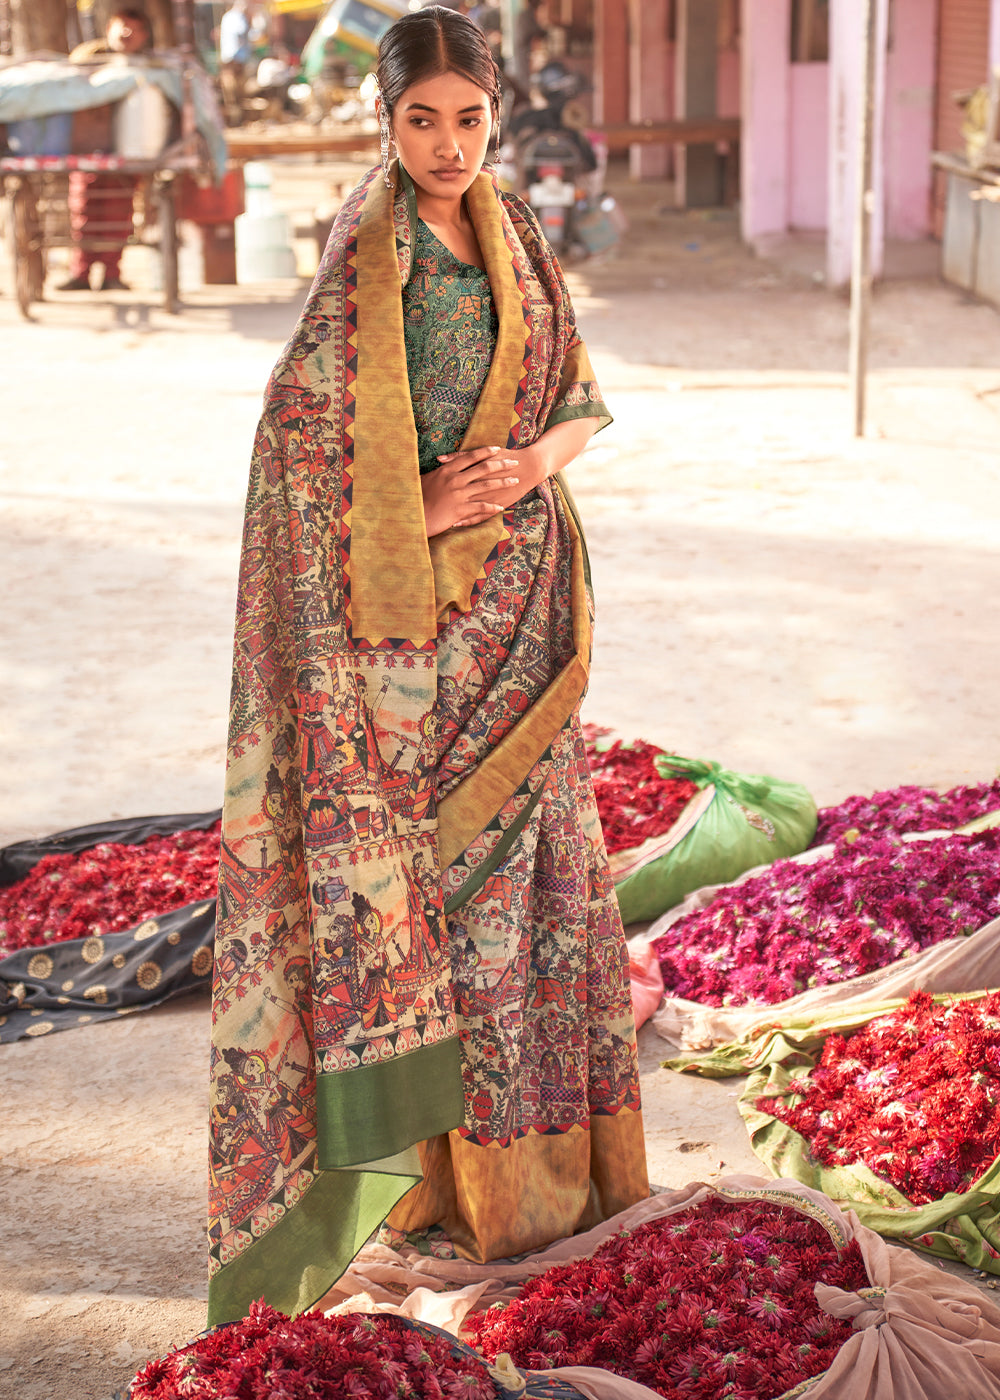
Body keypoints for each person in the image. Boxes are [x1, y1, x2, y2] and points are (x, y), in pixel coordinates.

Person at [207, 4, 648, 1327]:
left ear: (495, 116)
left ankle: (564, 1189)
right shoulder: (372, 251)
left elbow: (575, 396)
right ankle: (461, 1190)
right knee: (449, 902)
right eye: (421, 121)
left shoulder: (511, 231)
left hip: (529, 609)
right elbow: (298, 446)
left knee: (547, 879)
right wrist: (431, 510)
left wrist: (529, 468)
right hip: (419, 635)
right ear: (383, 122)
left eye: (468, 119)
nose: (449, 146)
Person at [58, 8, 152, 292]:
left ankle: (111, 273)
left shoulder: (150, 66)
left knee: (118, 212)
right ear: (109, 28)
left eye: (134, 29)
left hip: (127, 151)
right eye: (122, 26)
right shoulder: (89, 56)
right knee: (83, 209)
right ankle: (81, 273)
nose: (126, 33)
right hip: (88, 147)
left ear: (144, 36)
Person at [218, 0, 252, 126]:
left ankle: (236, 120)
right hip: (234, 60)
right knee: (234, 91)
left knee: (234, 93)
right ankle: (236, 120)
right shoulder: (237, 17)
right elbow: (241, 32)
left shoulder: (229, 17)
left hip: (232, 59)